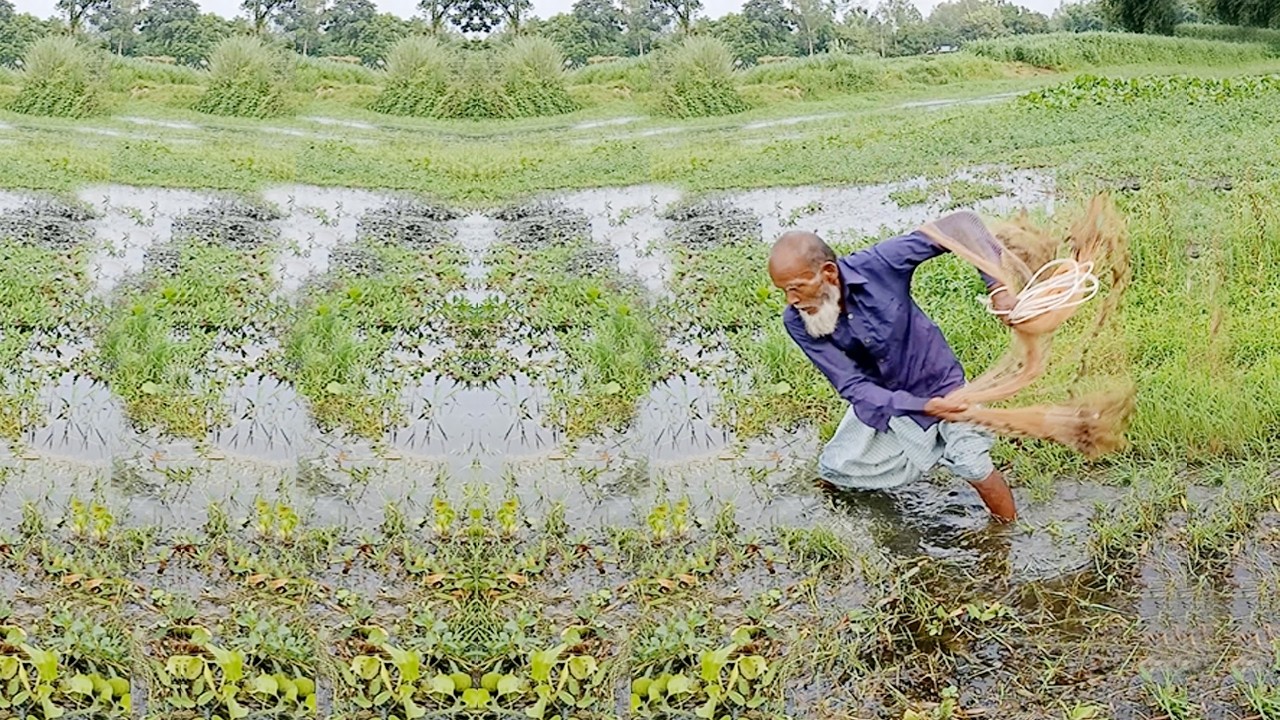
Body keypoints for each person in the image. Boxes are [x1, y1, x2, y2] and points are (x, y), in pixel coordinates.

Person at [767, 211, 1018, 523]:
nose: (791, 300)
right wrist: (920, 406)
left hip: (944, 386)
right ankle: (829, 515)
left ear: (829, 273)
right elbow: (853, 388)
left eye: (796, 287)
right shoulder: (798, 321)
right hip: (886, 404)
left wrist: (998, 288)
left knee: (970, 463)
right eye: (783, 291)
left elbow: (961, 225)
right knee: (835, 467)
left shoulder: (879, 265)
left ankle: (1007, 537)